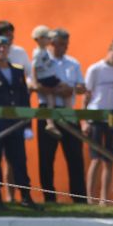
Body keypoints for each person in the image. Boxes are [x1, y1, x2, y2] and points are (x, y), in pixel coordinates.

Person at [0, 34, 36, 205]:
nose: (2, 49)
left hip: (15, 125)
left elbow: (24, 99)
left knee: (19, 161)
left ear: (9, 49)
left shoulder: (17, 71)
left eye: (4, 46)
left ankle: (25, 195)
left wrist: (27, 124)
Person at [35, 28, 87, 204]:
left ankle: (79, 198)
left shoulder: (73, 63)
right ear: (52, 43)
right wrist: (50, 89)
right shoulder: (41, 59)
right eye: (60, 44)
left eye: (66, 44)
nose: (64, 47)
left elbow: (82, 87)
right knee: (46, 158)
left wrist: (71, 89)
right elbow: (32, 82)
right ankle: (49, 198)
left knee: (75, 157)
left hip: (68, 111)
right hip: (47, 110)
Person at [83, 38, 113, 204]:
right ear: (109, 50)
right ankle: (89, 197)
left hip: (112, 117)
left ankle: (104, 198)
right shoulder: (95, 69)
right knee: (95, 159)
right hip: (96, 115)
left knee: (109, 160)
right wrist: (85, 120)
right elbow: (87, 95)